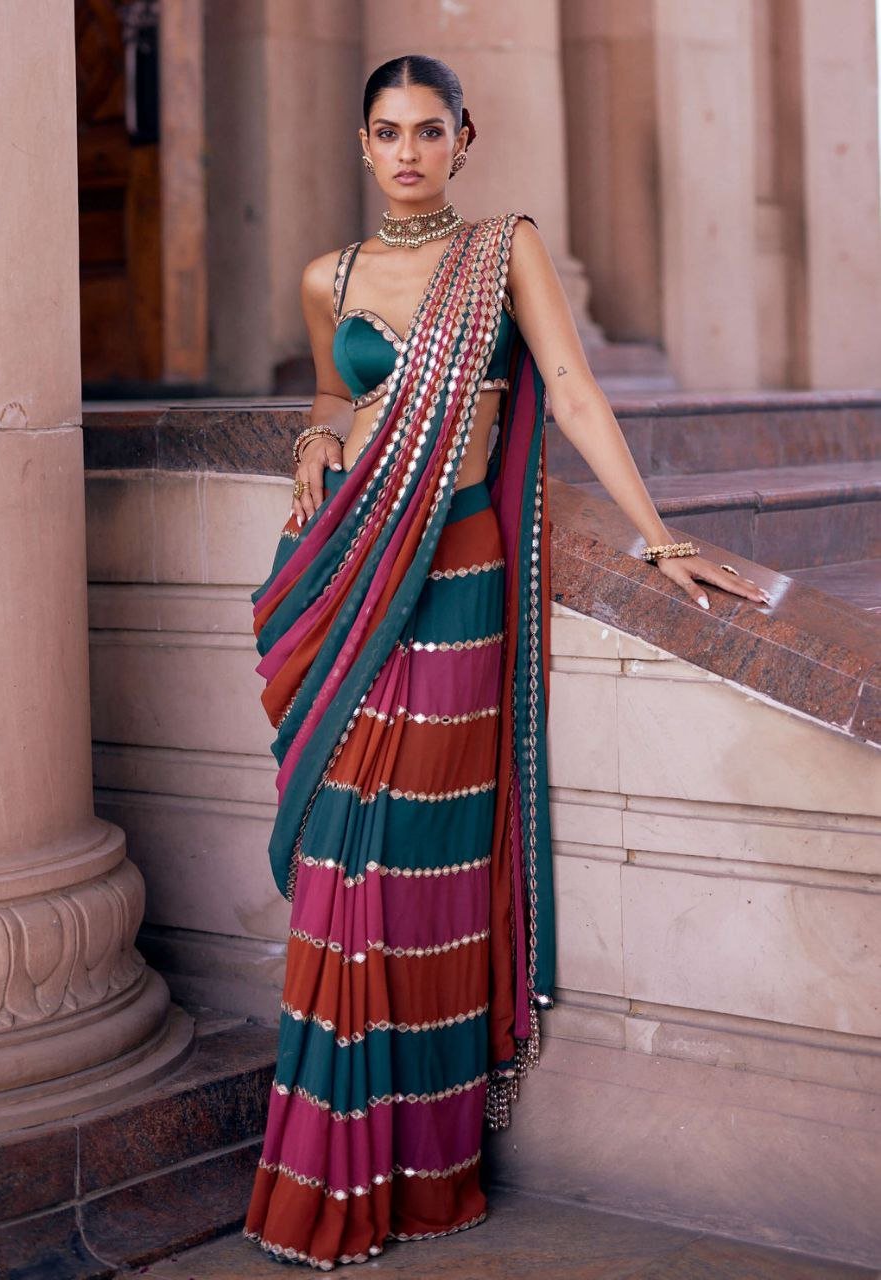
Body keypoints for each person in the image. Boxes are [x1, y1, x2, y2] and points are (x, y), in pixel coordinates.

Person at [243, 53, 769, 1272]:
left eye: (429, 130)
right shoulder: (329, 275)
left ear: (463, 140)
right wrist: (313, 438)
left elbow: (570, 389)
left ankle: (420, 1173)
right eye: (388, 131)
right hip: (351, 566)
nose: (408, 151)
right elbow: (328, 389)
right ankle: (327, 1166)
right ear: (362, 144)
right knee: (342, 850)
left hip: (459, 574)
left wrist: (656, 534)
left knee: (416, 850)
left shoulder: (503, 249)